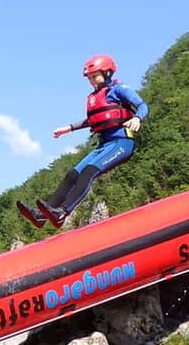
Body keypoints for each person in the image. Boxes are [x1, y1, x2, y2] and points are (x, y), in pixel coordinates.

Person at [17, 54, 149, 228]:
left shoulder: (119, 89)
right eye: (89, 78)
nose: (92, 81)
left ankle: (62, 212)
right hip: (104, 145)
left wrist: (138, 118)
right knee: (72, 174)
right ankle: (41, 216)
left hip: (122, 143)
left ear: (107, 73)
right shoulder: (94, 97)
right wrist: (69, 128)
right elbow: (96, 118)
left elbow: (142, 105)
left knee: (88, 172)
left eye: (95, 76)